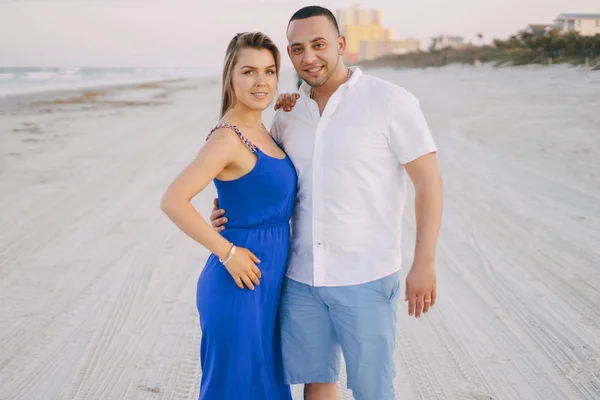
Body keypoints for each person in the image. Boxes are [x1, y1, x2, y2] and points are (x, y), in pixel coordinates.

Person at [211, 6, 443, 400]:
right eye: (298, 49)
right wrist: (228, 211)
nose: (309, 57)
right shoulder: (287, 113)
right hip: (301, 277)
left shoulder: (389, 101)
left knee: (373, 388)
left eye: (319, 45)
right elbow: (264, 177)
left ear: (340, 44)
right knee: (316, 383)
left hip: (366, 274)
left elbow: (429, 183)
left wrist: (425, 262)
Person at [160, 32, 295, 400]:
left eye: (269, 71)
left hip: (267, 285)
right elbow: (173, 200)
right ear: (230, 78)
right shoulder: (227, 138)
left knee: (265, 388)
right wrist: (228, 252)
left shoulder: (265, 129)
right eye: (249, 72)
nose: (261, 81)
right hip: (238, 285)